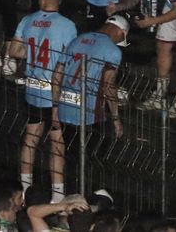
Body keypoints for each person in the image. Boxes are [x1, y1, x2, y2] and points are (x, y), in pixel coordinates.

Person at [8, 0, 78, 199]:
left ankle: (25, 187)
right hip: (53, 91)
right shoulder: (67, 25)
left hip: (33, 88)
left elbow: (14, 51)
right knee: (57, 142)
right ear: (58, 2)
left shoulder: (27, 21)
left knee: (31, 138)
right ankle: (57, 194)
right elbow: (69, 59)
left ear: (41, 1)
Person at [52, 14, 128, 192]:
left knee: (71, 157)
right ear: (120, 32)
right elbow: (109, 86)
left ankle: (71, 195)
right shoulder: (112, 51)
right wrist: (116, 118)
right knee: (94, 159)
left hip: (65, 108)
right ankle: (90, 196)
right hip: (90, 113)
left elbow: (57, 75)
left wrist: (55, 107)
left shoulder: (77, 40)